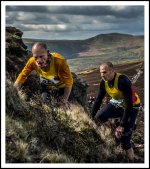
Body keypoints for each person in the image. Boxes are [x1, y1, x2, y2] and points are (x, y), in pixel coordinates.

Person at [91, 62, 140, 162]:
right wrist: (91, 117)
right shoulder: (103, 82)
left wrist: (122, 125)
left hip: (131, 107)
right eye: (101, 72)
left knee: (125, 140)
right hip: (117, 104)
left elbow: (129, 105)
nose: (102, 75)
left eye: (105, 72)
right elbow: (98, 101)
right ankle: (113, 130)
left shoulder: (123, 81)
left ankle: (132, 162)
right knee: (98, 118)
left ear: (113, 71)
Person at [14, 42, 73, 108]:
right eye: (36, 57)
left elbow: (69, 82)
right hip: (46, 87)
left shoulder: (59, 61)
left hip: (62, 87)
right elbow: (22, 76)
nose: (39, 60)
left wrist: (64, 101)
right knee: (45, 106)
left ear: (47, 53)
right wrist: (13, 91)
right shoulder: (32, 62)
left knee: (64, 107)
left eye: (41, 56)